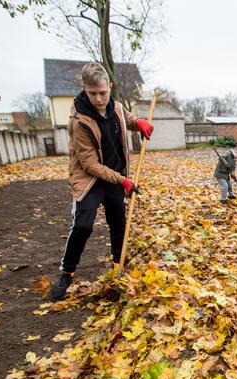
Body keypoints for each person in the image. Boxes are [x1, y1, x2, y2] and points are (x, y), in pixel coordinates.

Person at [49, 62, 154, 301]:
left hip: (115, 177)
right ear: (84, 89)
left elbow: (126, 118)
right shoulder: (79, 122)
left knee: (118, 222)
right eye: (92, 93)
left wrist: (139, 123)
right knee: (83, 225)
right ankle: (67, 272)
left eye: (103, 93)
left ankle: (118, 268)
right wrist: (123, 180)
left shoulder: (115, 107)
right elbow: (90, 165)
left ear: (110, 87)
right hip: (90, 179)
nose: (98, 98)